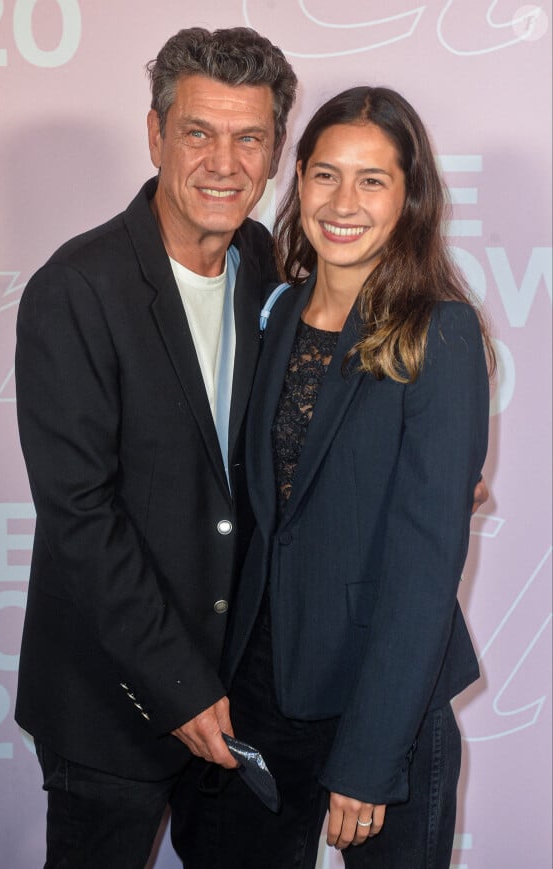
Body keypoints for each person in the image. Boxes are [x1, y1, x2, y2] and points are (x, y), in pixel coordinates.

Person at [177, 86, 494, 869]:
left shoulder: (438, 333)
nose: (343, 201)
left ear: (409, 198)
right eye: (325, 174)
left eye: (373, 179)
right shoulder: (275, 309)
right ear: (299, 180)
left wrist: (370, 755)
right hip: (256, 692)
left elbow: (424, 572)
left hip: (382, 698)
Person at [14, 27, 297, 869]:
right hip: (109, 698)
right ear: (155, 135)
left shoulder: (261, 258)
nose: (224, 162)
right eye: (199, 132)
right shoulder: (76, 288)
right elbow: (80, 515)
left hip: (241, 701)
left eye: (249, 137)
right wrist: (180, 684)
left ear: (276, 150)